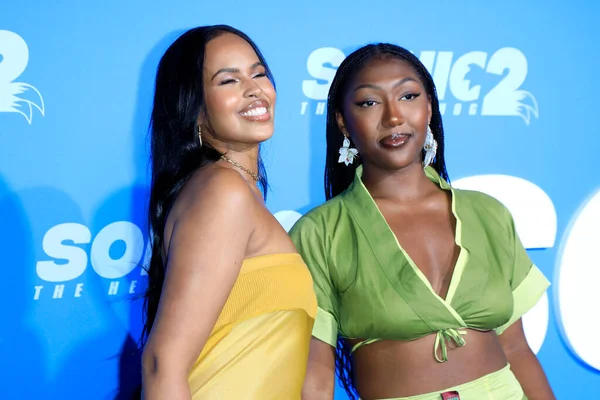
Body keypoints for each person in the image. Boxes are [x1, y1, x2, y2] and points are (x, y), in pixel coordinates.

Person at [290, 43, 554, 400]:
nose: (394, 117)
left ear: (428, 107)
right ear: (342, 121)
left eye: (409, 96)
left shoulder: (488, 213)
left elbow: (517, 350)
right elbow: (316, 376)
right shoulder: (320, 233)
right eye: (369, 102)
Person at [139, 25, 317, 399]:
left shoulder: (235, 190)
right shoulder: (223, 191)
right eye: (228, 80)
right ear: (195, 108)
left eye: (259, 73)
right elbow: (162, 362)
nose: (254, 89)